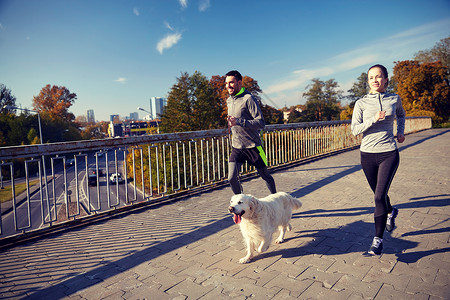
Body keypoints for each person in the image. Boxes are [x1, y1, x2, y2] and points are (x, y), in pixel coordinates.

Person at [351, 64, 406, 255]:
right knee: (379, 195)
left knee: (377, 197)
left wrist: (400, 132)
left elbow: (401, 114)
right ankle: (391, 212)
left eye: (378, 76)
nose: (375, 80)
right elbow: (355, 130)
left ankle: (377, 241)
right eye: (371, 77)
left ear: (386, 80)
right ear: (368, 81)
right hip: (367, 155)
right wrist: (373, 119)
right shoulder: (361, 103)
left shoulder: (394, 99)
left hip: (388, 153)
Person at [225, 70, 276, 195]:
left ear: (239, 83)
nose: (228, 86)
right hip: (237, 146)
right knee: (231, 178)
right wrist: (231, 125)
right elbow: (234, 121)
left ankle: (277, 201)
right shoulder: (229, 100)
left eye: (231, 83)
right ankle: (240, 204)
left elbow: (261, 123)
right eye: (226, 83)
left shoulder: (249, 99)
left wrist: (239, 122)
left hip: (253, 146)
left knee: (265, 176)